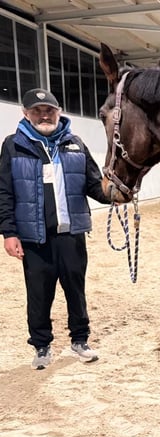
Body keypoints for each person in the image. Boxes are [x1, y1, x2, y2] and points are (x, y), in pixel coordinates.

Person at [0, 88, 112, 369]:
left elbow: (94, 184)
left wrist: (117, 193)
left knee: (76, 290)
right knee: (39, 294)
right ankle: (41, 346)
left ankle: (80, 340)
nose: (44, 115)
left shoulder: (75, 144)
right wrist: (8, 232)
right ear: (25, 114)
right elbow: (4, 192)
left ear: (59, 112)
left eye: (49, 109)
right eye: (37, 111)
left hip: (71, 235)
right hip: (34, 237)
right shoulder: (13, 145)